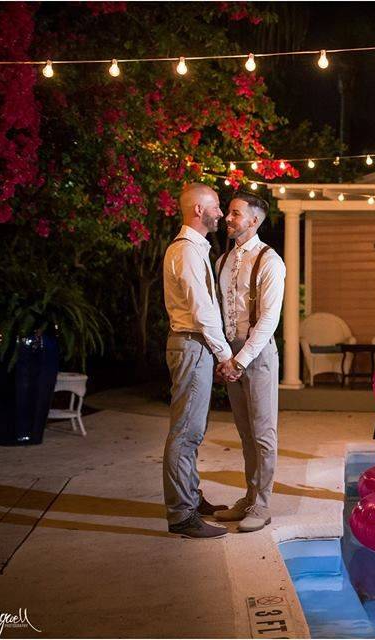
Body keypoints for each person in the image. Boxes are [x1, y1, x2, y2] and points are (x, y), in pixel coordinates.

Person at [211, 192, 285, 533]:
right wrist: (224, 355)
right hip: (231, 354)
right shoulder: (222, 260)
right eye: (228, 212)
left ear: (253, 221)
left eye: (235, 213)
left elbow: (269, 319)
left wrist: (240, 360)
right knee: (245, 433)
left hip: (258, 355)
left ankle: (263, 505)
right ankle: (249, 496)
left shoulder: (270, 261)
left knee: (263, 434)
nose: (228, 217)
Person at [161, 183, 232, 539]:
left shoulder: (194, 249)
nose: (220, 213)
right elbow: (203, 311)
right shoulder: (187, 251)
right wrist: (226, 355)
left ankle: (190, 497)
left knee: (192, 429)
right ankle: (181, 515)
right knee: (186, 432)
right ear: (199, 211)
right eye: (217, 207)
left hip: (193, 344)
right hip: (191, 343)